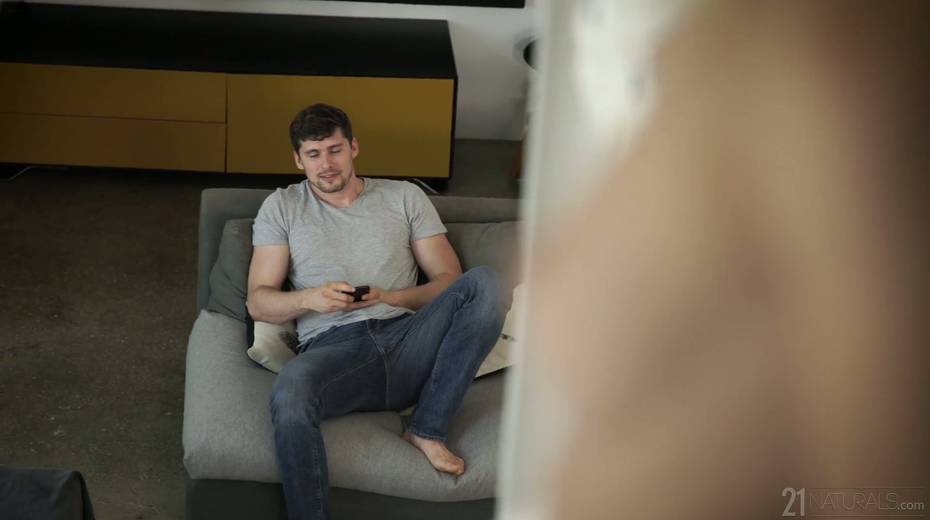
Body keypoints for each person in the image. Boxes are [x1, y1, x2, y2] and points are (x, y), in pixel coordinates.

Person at [246, 104, 508, 520]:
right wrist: (309, 298)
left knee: (486, 282)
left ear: (353, 147)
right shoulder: (281, 207)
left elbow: (449, 281)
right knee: (291, 391)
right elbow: (258, 302)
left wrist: (392, 297)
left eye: (335, 150)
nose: (326, 164)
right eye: (313, 154)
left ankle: (427, 428)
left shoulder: (404, 196)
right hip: (335, 352)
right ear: (298, 160)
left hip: (409, 340)